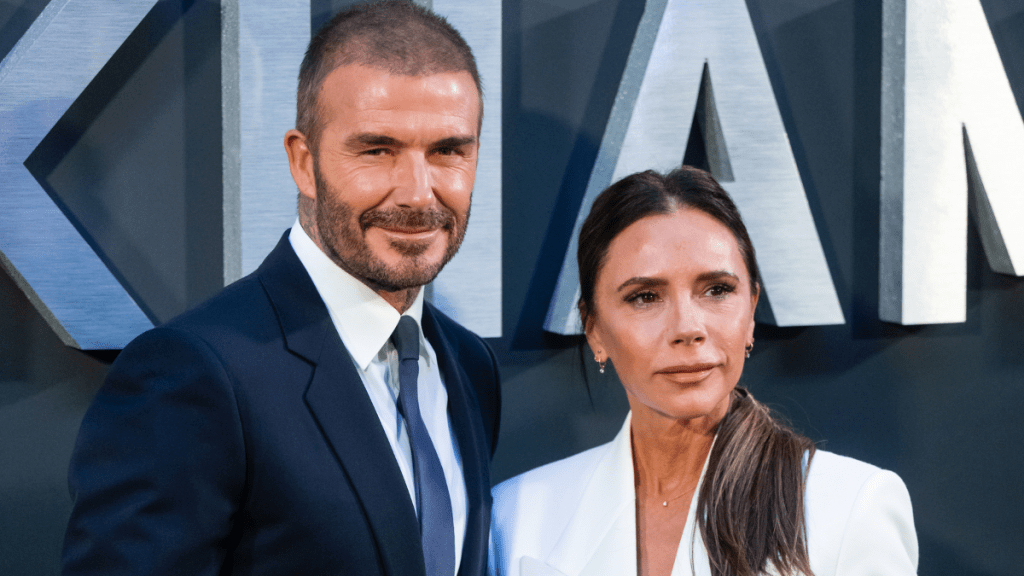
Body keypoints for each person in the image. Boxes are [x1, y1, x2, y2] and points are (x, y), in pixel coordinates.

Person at [62, 2, 500, 575]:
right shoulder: (194, 374)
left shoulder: (469, 366)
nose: (418, 193)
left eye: (448, 151)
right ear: (303, 161)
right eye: (376, 150)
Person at [489, 166, 917, 576]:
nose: (687, 328)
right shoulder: (517, 515)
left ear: (750, 311)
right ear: (594, 328)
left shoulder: (852, 508)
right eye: (644, 297)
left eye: (717, 290)